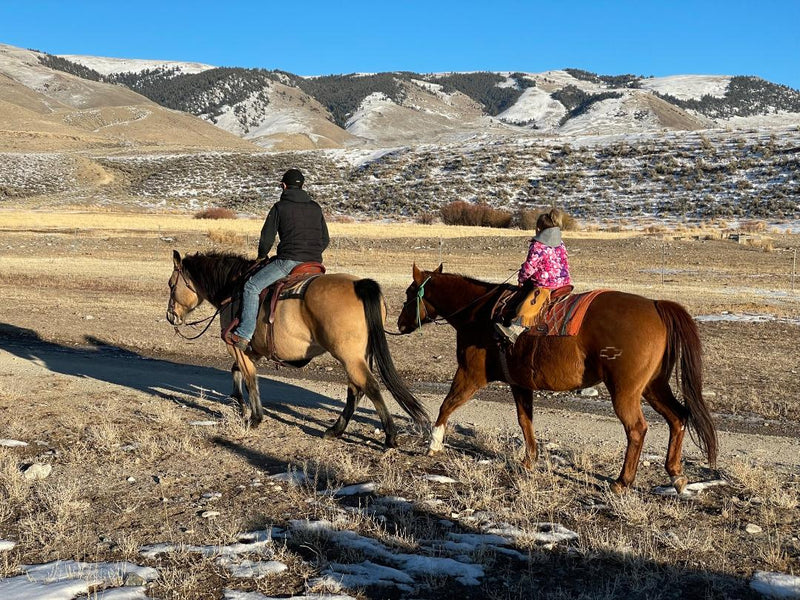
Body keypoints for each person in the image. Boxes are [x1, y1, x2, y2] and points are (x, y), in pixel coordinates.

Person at [227, 168, 329, 351]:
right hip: (315, 263)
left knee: (251, 286)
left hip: (288, 261)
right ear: (303, 186)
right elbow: (325, 239)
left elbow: (267, 237)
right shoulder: (315, 207)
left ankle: (244, 334)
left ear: (283, 186)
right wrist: (311, 253)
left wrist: (261, 255)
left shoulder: (280, 207)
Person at [495, 208, 571, 343]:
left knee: (526, 302)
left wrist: (521, 279)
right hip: (564, 283)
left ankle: (516, 327)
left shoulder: (538, 245)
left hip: (545, 286)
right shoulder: (561, 243)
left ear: (538, 228)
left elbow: (529, 267)